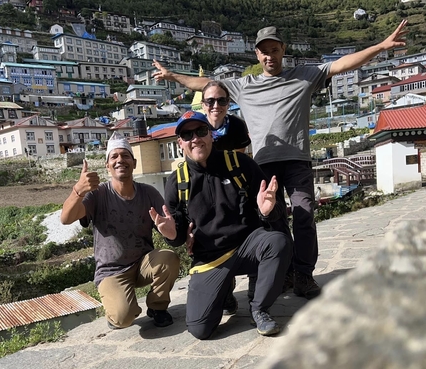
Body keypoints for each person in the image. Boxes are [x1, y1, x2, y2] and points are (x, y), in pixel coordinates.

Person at [153, 20, 408, 300]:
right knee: (272, 221)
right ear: (257, 55)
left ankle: (304, 274)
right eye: (264, 52)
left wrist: (382, 46)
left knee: (304, 215)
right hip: (262, 165)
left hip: (297, 161)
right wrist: (173, 76)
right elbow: (206, 85)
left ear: (282, 50)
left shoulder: (304, 76)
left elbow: (342, 64)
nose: (269, 56)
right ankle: (283, 271)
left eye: (274, 50)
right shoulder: (243, 86)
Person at [150, 111, 291, 340]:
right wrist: (170, 233)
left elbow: (272, 209)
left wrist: (268, 211)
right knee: (200, 329)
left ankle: (259, 308)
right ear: (180, 143)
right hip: (210, 259)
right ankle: (224, 292)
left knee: (278, 241)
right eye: (187, 134)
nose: (195, 138)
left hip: (247, 246)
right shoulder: (178, 181)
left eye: (201, 131)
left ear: (211, 135)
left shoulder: (238, 164)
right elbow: (177, 236)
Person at [60, 138, 180, 329]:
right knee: (123, 318)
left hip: (143, 264)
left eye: (125, 155)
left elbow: (172, 234)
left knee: (169, 258)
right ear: (107, 165)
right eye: (114, 156)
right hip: (111, 271)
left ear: (134, 163)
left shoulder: (149, 193)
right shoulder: (97, 195)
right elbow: (66, 219)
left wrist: (168, 231)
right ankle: (120, 307)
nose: (120, 160)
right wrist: (78, 191)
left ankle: (157, 306)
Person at [200, 80, 251, 152]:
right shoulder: (195, 126)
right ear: (203, 105)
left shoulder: (237, 125)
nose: (216, 106)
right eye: (210, 101)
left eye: (222, 100)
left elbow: (239, 158)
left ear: (228, 104)